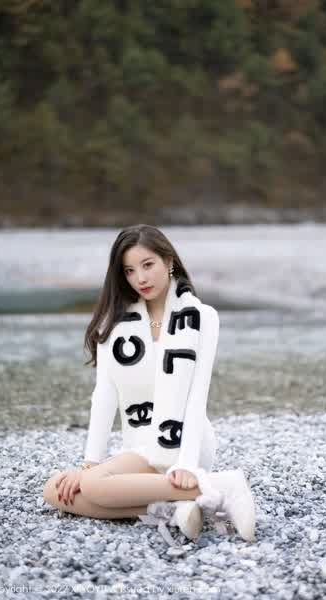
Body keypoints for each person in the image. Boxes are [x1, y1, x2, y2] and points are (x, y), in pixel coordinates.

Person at [43, 224, 256, 543]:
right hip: (139, 443)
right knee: (55, 489)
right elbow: (105, 396)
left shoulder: (202, 317)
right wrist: (89, 464)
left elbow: (197, 397)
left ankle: (222, 485)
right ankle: (180, 506)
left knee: (92, 487)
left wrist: (186, 465)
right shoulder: (113, 324)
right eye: (129, 271)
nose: (140, 278)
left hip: (184, 441)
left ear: (168, 261)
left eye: (147, 265)